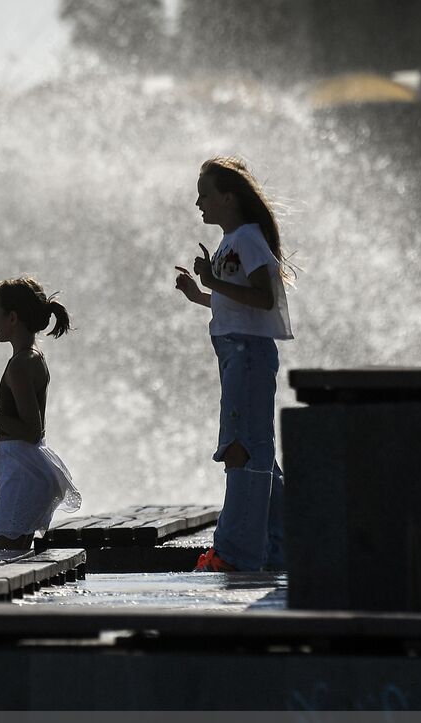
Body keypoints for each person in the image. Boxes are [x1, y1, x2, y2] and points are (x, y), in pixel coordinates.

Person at [174, 156, 293, 572]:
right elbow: (237, 302)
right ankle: (278, 550)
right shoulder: (234, 240)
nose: (198, 202)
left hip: (247, 352)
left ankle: (237, 554)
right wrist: (201, 295)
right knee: (257, 450)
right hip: (236, 351)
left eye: (205, 194)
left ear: (228, 197)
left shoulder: (247, 239)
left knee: (241, 448)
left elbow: (264, 299)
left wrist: (211, 281)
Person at [0, 277, 81, 553]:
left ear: (12, 317)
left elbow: (32, 430)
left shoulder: (21, 364)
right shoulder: (33, 357)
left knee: (4, 559)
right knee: (16, 558)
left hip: (23, 468)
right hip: (28, 466)